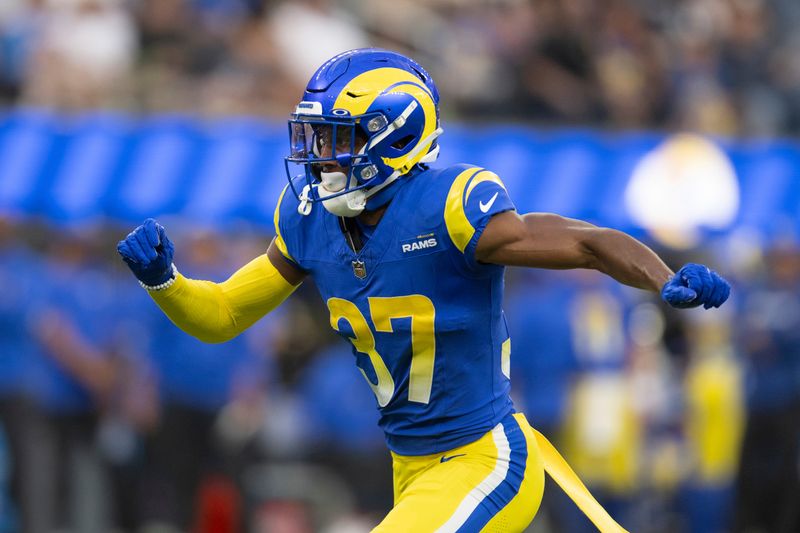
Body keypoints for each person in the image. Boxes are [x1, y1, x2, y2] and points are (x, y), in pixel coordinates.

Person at [117, 48, 730, 532]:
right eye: (318, 139)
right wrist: (164, 281)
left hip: (485, 461)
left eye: (339, 139)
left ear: (397, 137)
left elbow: (588, 242)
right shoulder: (308, 218)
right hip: (408, 468)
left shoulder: (449, 207)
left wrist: (662, 277)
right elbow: (223, 314)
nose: (320, 158)